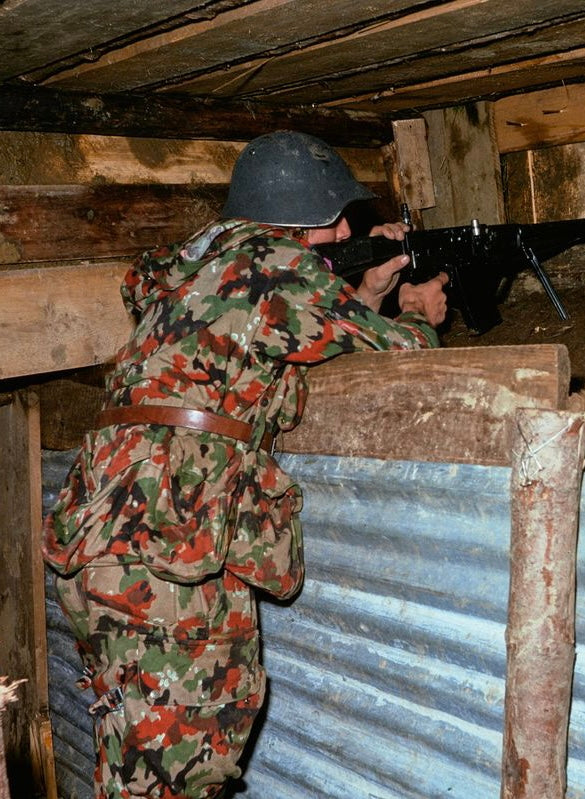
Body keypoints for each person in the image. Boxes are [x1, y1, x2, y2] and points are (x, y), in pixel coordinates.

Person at [42, 130, 448, 799]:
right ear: (305, 213)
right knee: (189, 759)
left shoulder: (183, 268)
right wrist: (415, 310)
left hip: (101, 533)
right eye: (337, 215)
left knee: (137, 760)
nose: (347, 229)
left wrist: (363, 287)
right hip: (168, 547)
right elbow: (398, 349)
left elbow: (272, 334)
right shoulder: (277, 265)